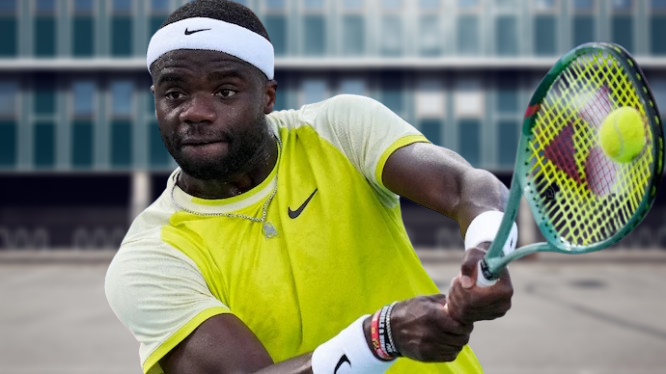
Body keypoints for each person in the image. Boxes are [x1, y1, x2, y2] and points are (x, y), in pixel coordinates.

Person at [104, 1, 516, 373]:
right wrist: (380, 337)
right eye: (174, 93)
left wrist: (486, 246)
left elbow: (466, 185)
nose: (195, 112)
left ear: (267, 97)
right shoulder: (148, 258)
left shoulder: (340, 128)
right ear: (155, 99)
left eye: (225, 91)